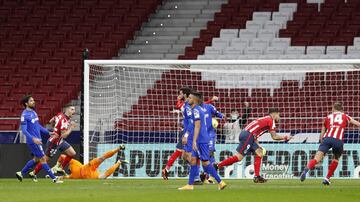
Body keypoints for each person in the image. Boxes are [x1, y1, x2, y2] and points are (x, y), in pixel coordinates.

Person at [215, 108, 292, 183]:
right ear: (274, 114)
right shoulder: (271, 121)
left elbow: (255, 132)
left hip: (248, 135)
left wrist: (257, 144)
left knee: (259, 152)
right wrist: (285, 137)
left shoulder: (265, 119)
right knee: (239, 157)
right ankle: (217, 165)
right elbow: (274, 137)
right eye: (279, 115)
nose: (279, 117)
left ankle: (257, 176)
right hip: (248, 136)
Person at [162, 87, 218, 181]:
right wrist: (211, 100)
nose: (179, 95)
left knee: (185, 154)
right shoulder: (192, 104)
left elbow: (179, 105)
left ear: (185, 94)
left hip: (189, 131)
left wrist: (179, 99)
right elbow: (203, 105)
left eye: (180, 93)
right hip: (192, 130)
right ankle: (202, 173)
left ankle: (201, 174)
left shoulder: (186, 105)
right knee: (186, 153)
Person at [300, 102, 360, 185]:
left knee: (317, 158)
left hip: (327, 139)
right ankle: (327, 178)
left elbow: (322, 132)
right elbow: (357, 124)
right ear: (341, 109)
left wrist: (322, 143)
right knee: (336, 159)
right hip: (338, 140)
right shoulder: (345, 116)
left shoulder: (328, 117)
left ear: (333, 109)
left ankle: (306, 169)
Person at [178, 91, 226, 190]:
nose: (188, 99)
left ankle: (220, 182)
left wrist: (194, 140)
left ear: (195, 100)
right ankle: (190, 185)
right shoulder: (196, 109)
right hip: (201, 138)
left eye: (190, 98)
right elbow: (192, 124)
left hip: (201, 140)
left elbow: (197, 125)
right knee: (193, 160)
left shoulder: (196, 110)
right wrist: (186, 135)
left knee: (205, 162)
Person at [15, 95, 63, 183]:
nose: (33, 102)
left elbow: (38, 126)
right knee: (43, 159)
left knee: (36, 159)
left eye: (33, 100)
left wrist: (48, 132)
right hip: (33, 141)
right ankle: (54, 179)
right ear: (26, 103)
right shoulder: (24, 115)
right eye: (31, 101)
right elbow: (24, 131)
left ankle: (21, 173)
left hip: (38, 139)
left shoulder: (34, 112)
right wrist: (33, 139)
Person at [29, 105, 77, 182]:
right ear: (67, 109)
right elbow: (64, 135)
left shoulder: (60, 114)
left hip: (60, 141)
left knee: (72, 153)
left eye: (74, 110)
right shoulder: (64, 120)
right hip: (54, 142)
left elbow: (51, 120)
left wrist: (54, 129)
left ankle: (60, 168)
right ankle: (33, 173)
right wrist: (71, 128)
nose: (73, 111)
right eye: (72, 109)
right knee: (45, 159)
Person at [56, 145, 128, 179]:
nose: (69, 168)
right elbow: (64, 177)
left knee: (102, 158)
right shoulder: (72, 176)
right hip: (91, 176)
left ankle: (118, 149)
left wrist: (59, 166)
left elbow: (62, 156)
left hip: (90, 166)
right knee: (103, 176)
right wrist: (53, 176)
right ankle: (119, 162)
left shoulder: (73, 162)